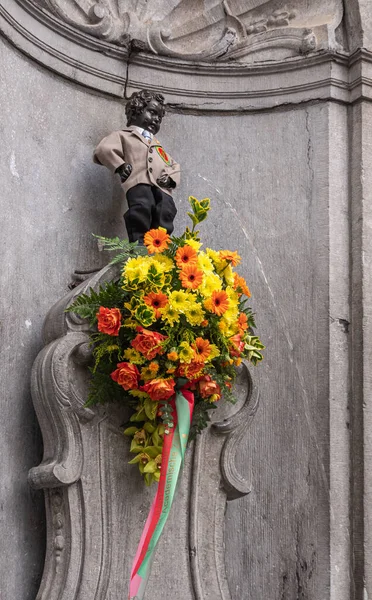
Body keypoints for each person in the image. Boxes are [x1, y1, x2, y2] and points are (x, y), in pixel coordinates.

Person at [93, 89, 180, 243]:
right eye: (152, 113)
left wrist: (170, 178)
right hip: (139, 182)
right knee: (141, 209)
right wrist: (119, 166)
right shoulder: (124, 135)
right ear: (136, 111)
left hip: (162, 188)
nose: (155, 120)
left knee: (166, 211)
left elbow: (173, 164)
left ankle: (160, 244)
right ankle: (139, 244)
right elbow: (104, 149)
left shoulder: (158, 147)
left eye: (159, 117)